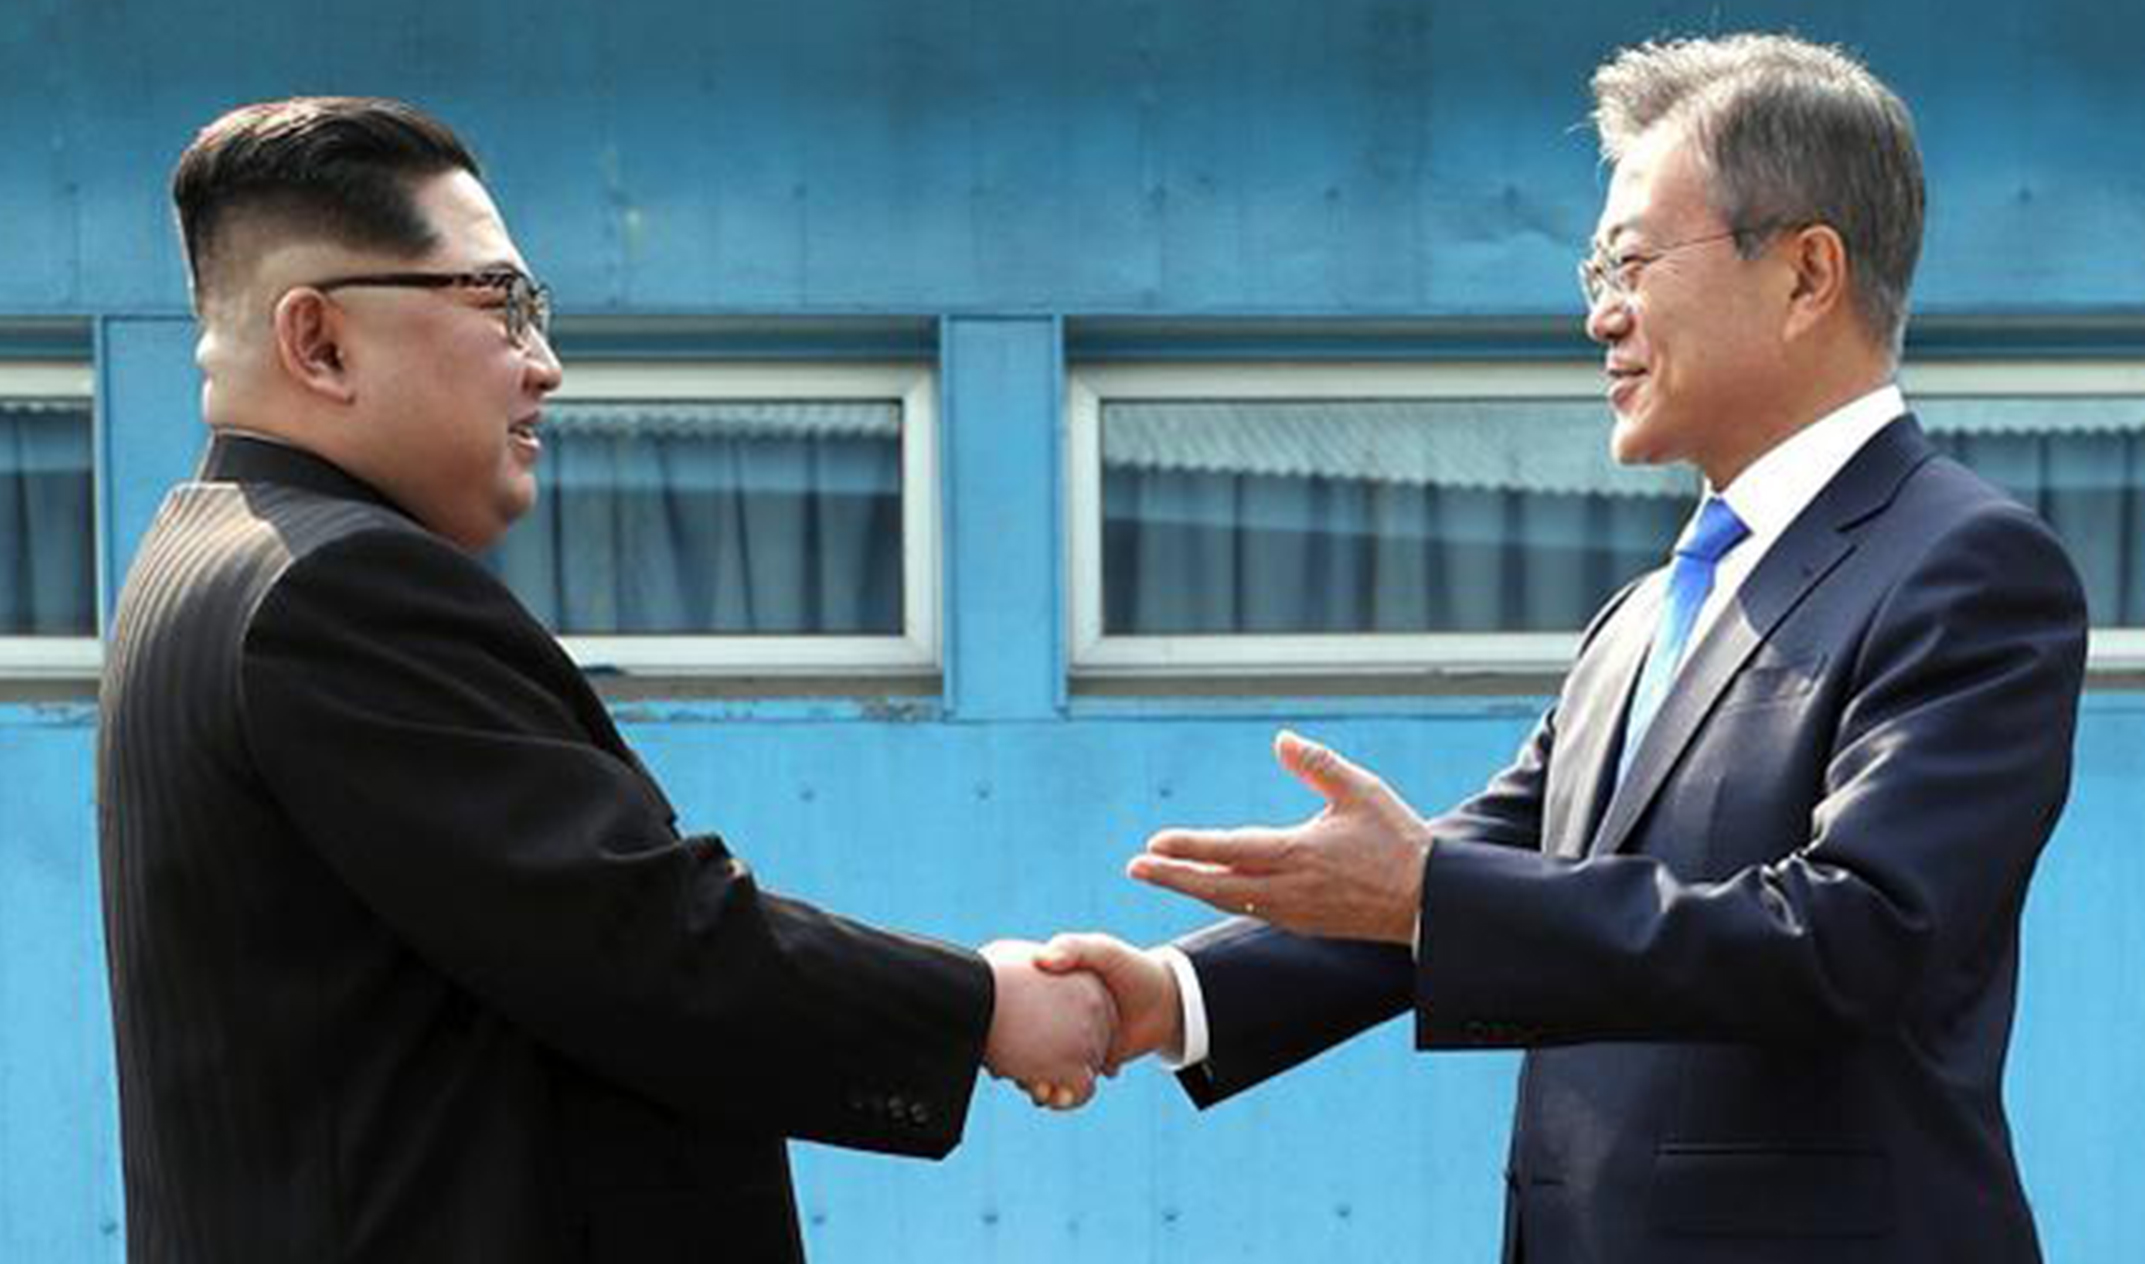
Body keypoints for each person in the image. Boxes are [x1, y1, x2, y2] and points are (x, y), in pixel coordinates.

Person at [1038, 33, 2088, 1264]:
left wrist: (1428, 893)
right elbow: (1488, 865)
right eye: (1598, 269)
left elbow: (1857, 936)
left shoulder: (1967, 566)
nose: (1600, 314)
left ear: (1808, 274)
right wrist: (1174, 994)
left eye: (1632, 262)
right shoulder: (1643, 615)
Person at [97, 96, 1110, 1264]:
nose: (546, 365)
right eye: (500, 305)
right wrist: (986, 1007)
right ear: (319, 341)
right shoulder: (337, 589)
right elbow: (640, 938)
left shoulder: (207, 560)